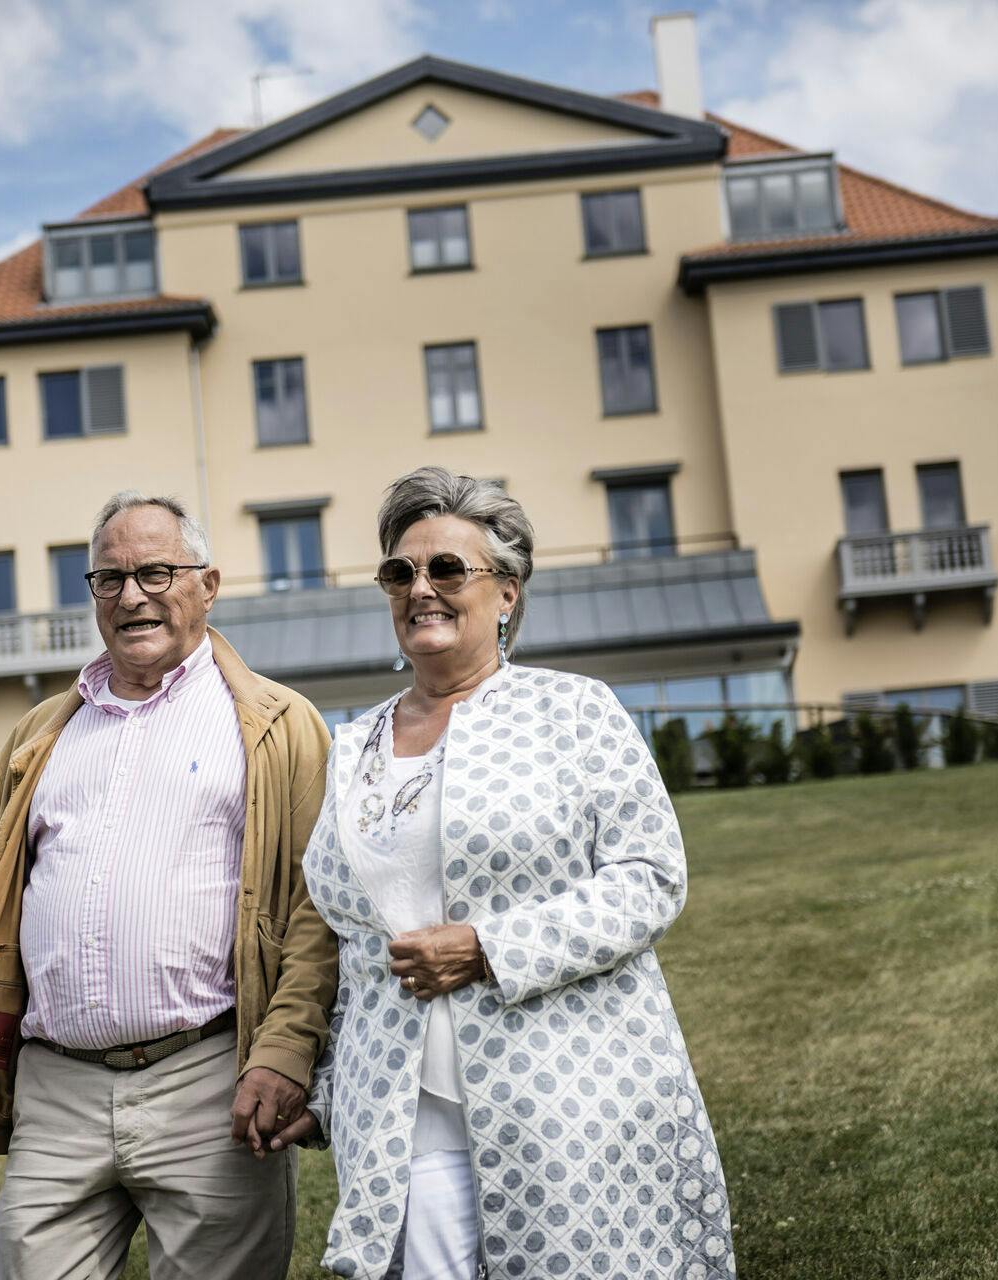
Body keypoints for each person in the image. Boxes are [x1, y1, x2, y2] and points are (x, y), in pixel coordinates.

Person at [271, 467, 735, 1279]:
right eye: (399, 572)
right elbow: (346, 941)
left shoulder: (574, 711)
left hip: (572, 1098)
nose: (421, 589)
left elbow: (650, 875)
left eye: (447, 569)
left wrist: (489, 945)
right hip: (404, 1113)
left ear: (508, 591)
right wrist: (327, 1088)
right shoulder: (350, 750)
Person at [0, 491, 337, 1280]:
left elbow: (314, 910)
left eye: (156, 572)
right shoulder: (40, 734)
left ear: (207, 585)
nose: (132, 596)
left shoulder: (278, 723)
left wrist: (284, 1053)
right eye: (109, 578)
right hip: (56, 1092)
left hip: (211, 1083)